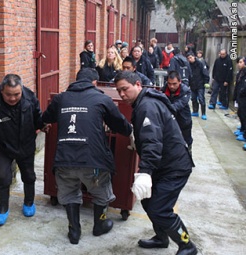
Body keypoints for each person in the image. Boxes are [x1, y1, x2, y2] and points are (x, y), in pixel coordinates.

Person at [42, 68, 132, 244]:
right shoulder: (102, 99)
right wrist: (131, 131)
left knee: (69, 195)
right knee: (101, 194)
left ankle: (74, 231)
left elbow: (45, 117)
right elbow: (120, 124)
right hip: (94, 162)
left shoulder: (61, 99)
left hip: (64, 161)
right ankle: (100, 224)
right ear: (94, 83)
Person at [113, 71, 198, 255]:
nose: (121, 94)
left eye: (125, 89)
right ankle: (161, 237)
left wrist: (145, 172)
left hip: (175, 167)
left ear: (138, 84)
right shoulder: (143, 103)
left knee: (160, 209)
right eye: (119, 91)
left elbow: (153, 142)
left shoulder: (147, 106)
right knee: (148, 201)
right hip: (164, 164)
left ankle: (187, 245)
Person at [0, 74, 47, 226]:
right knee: (3, 178)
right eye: (8, 95)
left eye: (16, 94)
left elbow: (37, 116)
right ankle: (3, 209)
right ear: (2, 91)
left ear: (22, 90)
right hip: (3, 147)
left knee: (29, 175)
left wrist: (43, 124)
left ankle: (29, 202)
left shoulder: (29, 97)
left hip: (26, 144)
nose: (13, 98)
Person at [161, 71, 193, 154]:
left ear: (180, 82)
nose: (171, 86)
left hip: (183, 120)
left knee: (186, 141)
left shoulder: (186, 90)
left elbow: (179, 105)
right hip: (169, 120)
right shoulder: (164, 89)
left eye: (174, 84)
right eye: (169, 83)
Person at [187, 51, 210, 120]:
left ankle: (203, 113)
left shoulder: (200, 63)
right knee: (193, 98)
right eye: (188, 58)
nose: (189, 59)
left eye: (190, 57)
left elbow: (205, 72)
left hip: (200, 84)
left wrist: (206, 81)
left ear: (194, 57)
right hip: (192, 85)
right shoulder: (188, 65)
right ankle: (195, 111)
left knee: (201, 99)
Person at [233, 57, 246, 143]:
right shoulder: (240, 72)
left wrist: (242, 92)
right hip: (240, 96)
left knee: (244, 115)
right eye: (238, 62)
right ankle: (242, 129)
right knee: (240, 114)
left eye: (241, 62)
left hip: (244, 97)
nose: (239, 64)